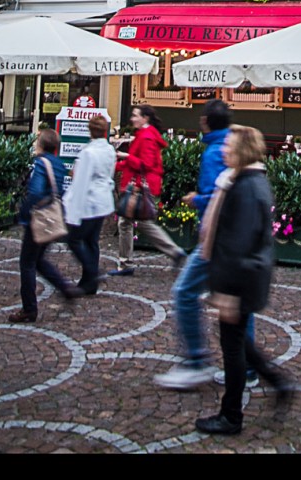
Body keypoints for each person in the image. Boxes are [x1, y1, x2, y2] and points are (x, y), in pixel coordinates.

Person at [194, 124, 294, 436]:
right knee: (237, 340)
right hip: (243, 277)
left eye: (230, 145)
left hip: (239, 280)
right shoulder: (248, 180)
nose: (224, 149)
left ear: (243, 150)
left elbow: (239, 243)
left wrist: (228, 291)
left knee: (233, 347)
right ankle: (279, 383)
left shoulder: (248, 187)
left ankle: (231, 415)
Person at [154, 100, 258, 390]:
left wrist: (195, 199)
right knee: (237, 303)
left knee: (185, 292)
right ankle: (247, 367)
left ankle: (196, 360)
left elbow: (217, 197)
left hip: (215, 239)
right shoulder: (234, 144)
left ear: (205, 122)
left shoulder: (215, 151)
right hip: (233, 239)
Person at [8, 129, 82, 323]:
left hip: (38, 218)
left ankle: (29, 309)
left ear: (40, 144)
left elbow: (36, 191)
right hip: (52, 217)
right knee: (39, 259)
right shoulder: (58, 163)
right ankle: (66, 288)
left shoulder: (41, 163)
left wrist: (24, 212)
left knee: (27, 263)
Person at [109, 104, 187, 276]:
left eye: (136, 115)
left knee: (134, 223)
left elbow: (146, 164)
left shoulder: (146, 137)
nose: (132, 119)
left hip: (141, 185)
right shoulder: (145, 135)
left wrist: (125, 157)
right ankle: (126, 262)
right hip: (141, 183)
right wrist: (117, 165)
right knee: (130, 223)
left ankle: (128, 262)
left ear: (145, 118)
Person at [63, 114, 116, 295]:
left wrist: (72, 211)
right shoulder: (109, 150)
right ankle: (88, 282)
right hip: (103, 200)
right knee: (91, 241)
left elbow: (81, 182)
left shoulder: (88, 153)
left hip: (89, 202)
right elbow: (110, 174)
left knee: (74, 239)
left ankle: (92, 273)